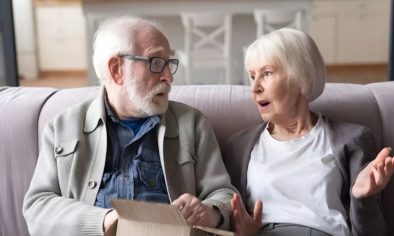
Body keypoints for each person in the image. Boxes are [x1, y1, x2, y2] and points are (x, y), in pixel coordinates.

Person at [22, 16, 236, 235]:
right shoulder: (63, 127)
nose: (168, 77)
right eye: (155, 63)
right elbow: (38, 207)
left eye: (169, 63)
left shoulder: (192, 124)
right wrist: (105, 220)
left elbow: (225, 194)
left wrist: (210, 212)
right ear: (116, 69)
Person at [224, 28, 394, 236]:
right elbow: (227, 219)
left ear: (301, 77)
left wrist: (362, 198)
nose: (255, 88)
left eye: (267, 74)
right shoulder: (239, 147)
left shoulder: (352, 140)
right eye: (252, 76)